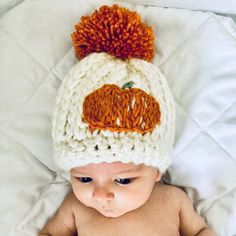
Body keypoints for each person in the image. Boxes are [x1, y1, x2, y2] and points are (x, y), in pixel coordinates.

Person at [39, 5, 216, 236]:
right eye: (83, 178)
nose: (101, 195)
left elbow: (201, 230)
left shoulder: (172, 200)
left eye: (123, 180)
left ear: (156, 172)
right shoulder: (75, 207)